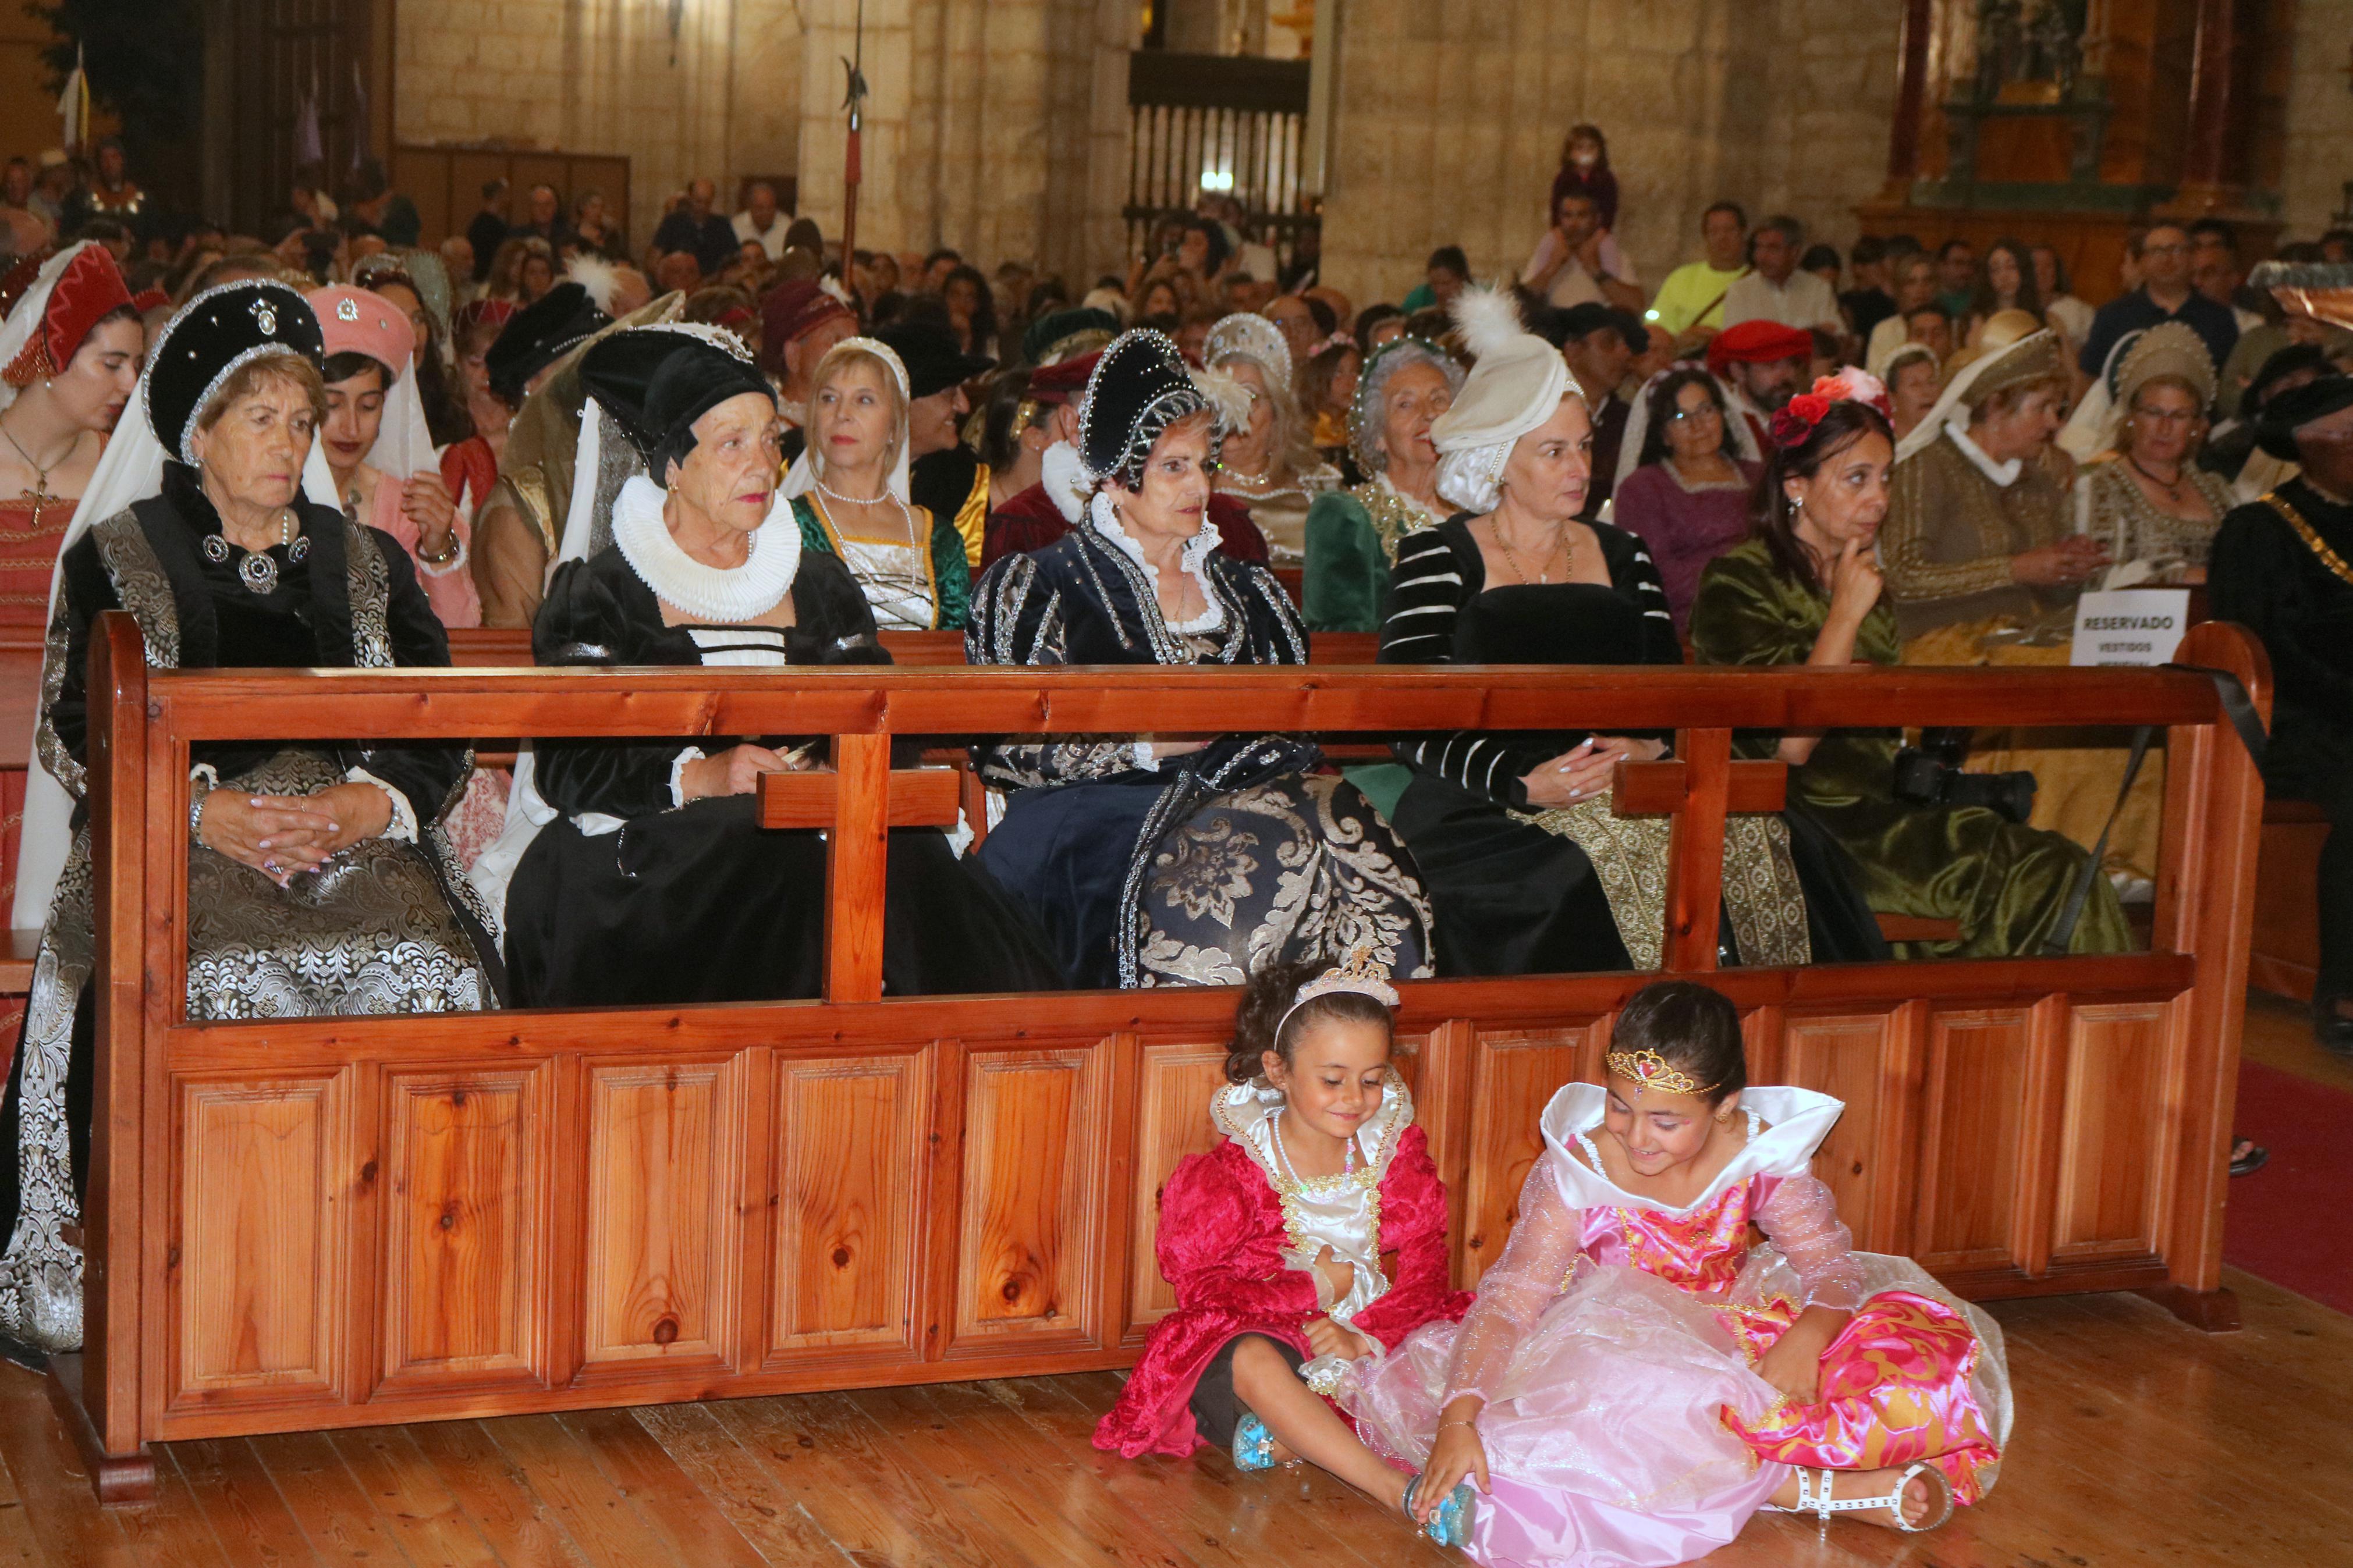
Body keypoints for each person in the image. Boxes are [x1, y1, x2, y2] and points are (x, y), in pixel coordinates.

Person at [0, 280, 499, 1363]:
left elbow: (436, 712)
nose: (288, 446)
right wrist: (199, 808)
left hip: (347, 831)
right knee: (207, 973)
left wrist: (375, 800)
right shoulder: (118, 557)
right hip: (174, 831)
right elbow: (71, 725)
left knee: (427, 961)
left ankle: (406, 1278)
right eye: (259, 420)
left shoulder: (361, 558)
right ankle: (214, 1289)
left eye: (301, 422)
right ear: (200, 432)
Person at [1351, 980, 2009, 1559]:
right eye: (1619, 1106)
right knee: (1588, 1424)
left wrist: (1806, 1340)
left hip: (1732, 1331)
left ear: (1723, 1107)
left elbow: (1832, 1270)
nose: (1636, 1137)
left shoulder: (1758, 1157)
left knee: (1923, 1357)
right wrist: (1458, 1418)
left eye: (1665, 1121)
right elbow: (1510, 1300)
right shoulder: (1579, 1169)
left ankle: (1774, 1477)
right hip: (1610, 1348)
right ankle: (1815, 1491)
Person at [504, 326, 1062, 1006]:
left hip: (817, 826)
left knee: (901, 856)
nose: (762, 465)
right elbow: (569, 764)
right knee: (776, 842)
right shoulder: (600, 592)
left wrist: (838, 766)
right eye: (731, 444)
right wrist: (703, 774)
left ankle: (982, 1063)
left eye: (770, 439)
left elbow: (886, 714)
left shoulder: (819, 584)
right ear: (673, 465)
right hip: (662, 853)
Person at [1376, 290, 1838, 978]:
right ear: (1499, 459)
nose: (1577, 469)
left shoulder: (1623, 552)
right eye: (1553, 452)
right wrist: (1524, 782)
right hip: (1487, 803)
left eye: (1584, 447)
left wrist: (1647, 746)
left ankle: (1764, 1047)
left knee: (1768, 841)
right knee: (1567, 879)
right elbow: (1409, 716)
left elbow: (1666, 692)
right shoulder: (1436, 557)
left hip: (1632, 782)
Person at [967, 329, 1434, 989]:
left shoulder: (1245, 590)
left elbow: (1294, 722)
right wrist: (1146, 746)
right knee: (1262, 870)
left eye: (1203, 465)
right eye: (1173, 467)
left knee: (1351, 837)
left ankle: (1353, 1062)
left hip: (1257, 794)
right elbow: (1005, 744)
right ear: (1116, 478)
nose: (1198, 486)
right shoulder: (1044, 584)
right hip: (1103, 812)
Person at [1689, 385, 2132, 958]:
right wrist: (1845, 614)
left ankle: (2052, 1033)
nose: (1878, 498)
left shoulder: (1864, 578)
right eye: (1856, 479)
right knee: (2033, 875)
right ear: (1794, 486)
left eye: (1885, 478)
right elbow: (1788, 745)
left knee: (2061, 864)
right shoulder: (1738, 581)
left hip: (1882, 809)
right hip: (1797, 822)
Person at [1092, 957, 1475, 1537]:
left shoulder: (1392, 1151)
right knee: (1247, 1361)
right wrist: (1314, 1289)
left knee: (1473, 1347)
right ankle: (1397, 1489)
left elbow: (1426, 1264)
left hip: (1372, 1338)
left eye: (1372, 1079)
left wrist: (1364, 1334)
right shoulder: (1239, 1169)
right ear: (1278, 1070)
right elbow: (1200, 1287)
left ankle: (1288, 1438)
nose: (1355, 1098)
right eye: (1332, 1079)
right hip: (1272, 1345)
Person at [2209, 372, 2353, 1055]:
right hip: (2291, 720)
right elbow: (2264, 649)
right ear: (2306, 444)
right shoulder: (2256, 529)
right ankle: (2343, 989)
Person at [1881, 328, 2099, 643]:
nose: (2054, 423)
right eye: (2041, 408)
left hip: (2032, 645)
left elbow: (2055, 597)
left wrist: (2069, 567)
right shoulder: (1925, 468)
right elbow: (1903, 576)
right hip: (1943, 656)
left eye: (2057, 409)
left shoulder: (2039, 479)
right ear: (1996, 407)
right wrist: (2015, 569)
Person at [306, 285, 478, 626]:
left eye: (369, 406)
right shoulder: (266, 495)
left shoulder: (410, 507)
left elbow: (460, 635)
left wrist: (438, 548)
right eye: (333, 405)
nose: (351, 427)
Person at [780, 331, 972, 630]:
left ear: (896, 425)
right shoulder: (784, 527)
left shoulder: (940, 542)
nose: (842, 415)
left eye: (864, 400)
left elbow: (953, 652)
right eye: (829, 398)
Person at [0, 243, 140, 632]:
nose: (130, 383)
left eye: (135, 366)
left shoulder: (120, 466)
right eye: (111, 364)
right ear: (52, 357)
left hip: (80, 688)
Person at [469, 283, 619, 626]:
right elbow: (514, 656)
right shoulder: (520, 508)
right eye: (583, 371)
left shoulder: (634, 473)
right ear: (534, 386)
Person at [1301, 336, 1461, 632]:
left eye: (1439, 399)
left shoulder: (1485, 508)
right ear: (1378, 435)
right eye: (1405, 404)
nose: (1429, 414)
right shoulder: (1346, 517)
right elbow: (1341, 649)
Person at [2072, 323, 2230, 582]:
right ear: (2132, 417)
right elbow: (2098, 578)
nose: (2164, 428)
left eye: (2179, 416)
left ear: (2196, 426)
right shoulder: (2101, 486)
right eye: (2154, 412)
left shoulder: (2218, 491)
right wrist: (2185, 577)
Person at [1609, 367, 1763, 631]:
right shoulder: (1643, 488)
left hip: (1771, 614)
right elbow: (1654, 575)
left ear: (1723, 415)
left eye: (1706, 411)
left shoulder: (1759, 476)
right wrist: (1749, 571)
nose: (1698, 425)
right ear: (1663, 434)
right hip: (1690, 629)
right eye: (1680, 416)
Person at [1205, 312, 1341, 564]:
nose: (1232, 409)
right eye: (1222, 394)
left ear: (1277, 412)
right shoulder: (1194, 489)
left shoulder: (1318, 488)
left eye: (1249, 394)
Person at [876, 318, 996, 577]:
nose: (964, 407)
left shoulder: (963, 477)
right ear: (903, 403)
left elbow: (965, 582)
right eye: (949, 393)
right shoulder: (839, 464)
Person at [2078, 224, 2238, 385]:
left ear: (2192, 258)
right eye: (2156, 251)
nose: (2167, 259)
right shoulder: (2113, 315)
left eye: (2176, 250)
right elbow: (2090, 378)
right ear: (2142, 262)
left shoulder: (2219, 317)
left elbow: (2229, 382)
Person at [1547, 303, 1637, 518]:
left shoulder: (1631, 420)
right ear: (1574, 350)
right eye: (1609, 342)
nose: (1624, 353)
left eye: (1625, 344)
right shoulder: (1543, 417)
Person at [758, 278, 857, 465]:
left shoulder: (860, 423)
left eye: (857, 341)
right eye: (837, 340)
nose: (853, 353)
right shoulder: (769, 430)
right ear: (793, 355)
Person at [438, 298, 516, 517]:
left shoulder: (530, 422)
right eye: (476, 362)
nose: (486, 375)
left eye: (497, 364)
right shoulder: (442, 424)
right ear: (459, 361)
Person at [1521, 191, 1641, 315]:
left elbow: (1636, 305)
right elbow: (1520, 304)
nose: (1574, 224)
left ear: (1597, 219)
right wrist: (1552, 266)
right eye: (1568, 216)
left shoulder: (1614, 255)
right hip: (1555, 326)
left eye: (1582, 216)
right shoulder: (1547, 254)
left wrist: (1595, 269)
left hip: (1598, 323)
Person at [1723, 216, 1841, 333]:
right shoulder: (1740, 291)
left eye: (1773, 249)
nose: (1762, 257)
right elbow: (1735, 342)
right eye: (1759, 247)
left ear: (1794, 252)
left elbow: (1836, 336)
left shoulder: (1818, 289)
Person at [1706, 319, 1813, 449]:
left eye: (1791, 364)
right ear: (1738, 372)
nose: (1785, 376)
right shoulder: (1723, 426)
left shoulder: (1804, 416)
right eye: (1771, 366)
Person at [1960, 237, 2051, 348]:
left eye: (2011, 267)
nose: (2004, 276)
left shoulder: (2046, 319)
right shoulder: (1979, 321)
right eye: (1996, 269)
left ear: (2024, 271)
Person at [1865, 253, 1941, 374]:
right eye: (1911, 282)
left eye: (1927, 281)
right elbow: (1875, 379)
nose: (1921, 289)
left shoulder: (1948, 326)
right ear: (1900, 289)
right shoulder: (1885, 330)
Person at [650, 179, 738, 279]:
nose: (702, 207)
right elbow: (653, 261)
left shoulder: (722, 225)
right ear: (690, 198)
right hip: (677, 283)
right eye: (698, 201)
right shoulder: (672, 222)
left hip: (712, 284)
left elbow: (733, 261)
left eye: (707, 202)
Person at [1548, 123, 1618, 230]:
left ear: (1600, 151)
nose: (1586, 152)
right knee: (1547, 244)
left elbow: (1609, 213)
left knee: (1608, 246)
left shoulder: (1606, 179)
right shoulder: (1563, 178)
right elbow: (1556, 210)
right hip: (1566, 231)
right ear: (1569, 153)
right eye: (1580, 148)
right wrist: (1559, 237)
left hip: (1596, 232)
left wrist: (1597, 239)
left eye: (1591, 147)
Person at [1840, 235, 1897, 344]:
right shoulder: (1846, 301)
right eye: (1878, 264)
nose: (1884, 269)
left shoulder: (1890, 299)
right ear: (1858, 268)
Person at [2033, 243, 2093, 346]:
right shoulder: (2018, 311)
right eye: (2035, 265)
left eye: (2048, 265)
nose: (2041, 272)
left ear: (2057, 271)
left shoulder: (2080, 311)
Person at [1884, 342, 1940, 443]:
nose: (1927, 392)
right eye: (1915, 385)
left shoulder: (1951, 438)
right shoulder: (1881, 447)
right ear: (1892, 398)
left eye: (1931, 382)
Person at [0, 159, 52, 258]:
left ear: (30, 185)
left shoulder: (42, 217)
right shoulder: (2, 215)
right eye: (10, 182)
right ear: (4, 186)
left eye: (20, 182)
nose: (14, 187)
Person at [1399, 245, 1468, 315]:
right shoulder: (1420, 298)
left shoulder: (1477, 301)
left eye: (1446, 283)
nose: (1439, 291)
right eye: (1434, 284)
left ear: (1462, 280)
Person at [731, 180, 787, 261]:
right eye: (760, 208)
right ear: (750, 207)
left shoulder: (787, 226)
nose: (766, 213)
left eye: (770, 207)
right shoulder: (736, 226)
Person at [1933, 238, 1976, 320]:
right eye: (1958, 263)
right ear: (1942, 266)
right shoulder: (1930, 298)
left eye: (1970, 264)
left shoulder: (1978, 299)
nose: (1965, 270)